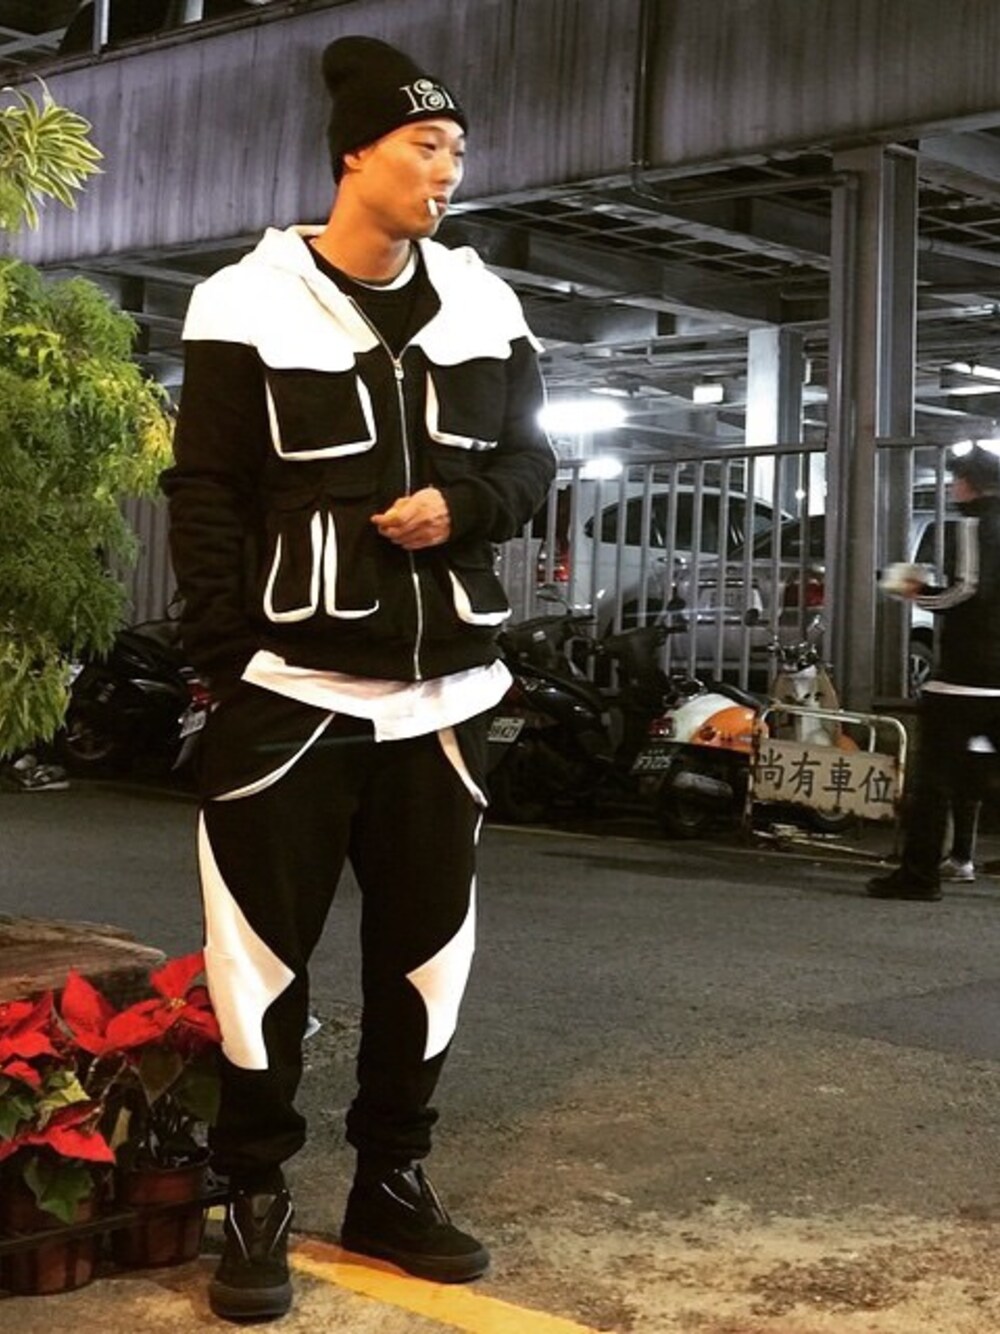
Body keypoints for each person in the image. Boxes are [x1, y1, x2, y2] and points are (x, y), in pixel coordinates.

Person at [161, 34, 556, 1323]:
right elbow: (206, 492)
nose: (450, 170)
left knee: (427, 957)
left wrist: (467, 504)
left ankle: (392, 1178)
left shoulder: (486, 302)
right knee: (258, 962)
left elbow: (531, 467)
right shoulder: (244, 300)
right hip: (289, 692)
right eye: (426, 146)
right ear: (356, 156)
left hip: (447, 700)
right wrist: (227, 661)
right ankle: (253, 1190)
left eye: (458, 150)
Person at [868, 445, 1000, 902]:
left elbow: (967, 590)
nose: (951, 487)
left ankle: (920, 875)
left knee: (933, 781)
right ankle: (955, 859)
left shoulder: (975, 525)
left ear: (969, 485)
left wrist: (911, 588)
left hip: (965, 675)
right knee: (978, 772)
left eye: (955, 480)